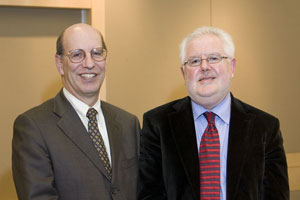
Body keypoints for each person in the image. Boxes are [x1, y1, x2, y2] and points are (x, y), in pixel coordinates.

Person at [138, 26, 289, 200]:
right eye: (194, 61)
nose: (204, 67)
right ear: (183, 73)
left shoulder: (265, 127)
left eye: (214, 58)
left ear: (232, 67)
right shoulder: (158, 124)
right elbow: (149, 194)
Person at [12, 23, 140, 200]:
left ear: (106, 60)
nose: (89, 64)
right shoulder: (33, 127)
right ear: (59, 63)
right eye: (77, 55)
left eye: (96, 53)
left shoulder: (128, 123)